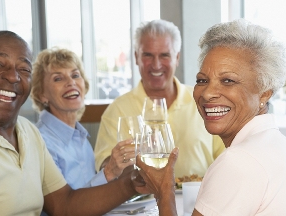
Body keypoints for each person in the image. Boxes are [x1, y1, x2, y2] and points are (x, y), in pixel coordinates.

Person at [0, 30, 144, 216]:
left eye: (23, 69)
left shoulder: (28, 131)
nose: (13, 76)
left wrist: (132, 183)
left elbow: (64, 205)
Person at [136, 19, 286, 215]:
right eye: (202, 80)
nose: (207, 93)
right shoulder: (275, 144)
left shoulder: (237, 162)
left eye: (227, 81)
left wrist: (164, 193)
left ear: (265, 93)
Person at [94, 19, 225, 178]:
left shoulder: (203, 101)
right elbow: (104, 167)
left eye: (164, 55)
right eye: (148, 55)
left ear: (176, 58)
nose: (156, 65)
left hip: (201, 199)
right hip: (143, 201)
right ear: (136, 57)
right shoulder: (117, 109)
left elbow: (226, 157)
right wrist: (116, 163)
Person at [30, 48, 132, 189]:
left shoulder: (81, 137)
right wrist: (108, 172)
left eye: (75, 75)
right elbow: (63, 207)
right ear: (42, 95)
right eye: (58, 78)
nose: (71, 82)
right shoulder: (41, 142)